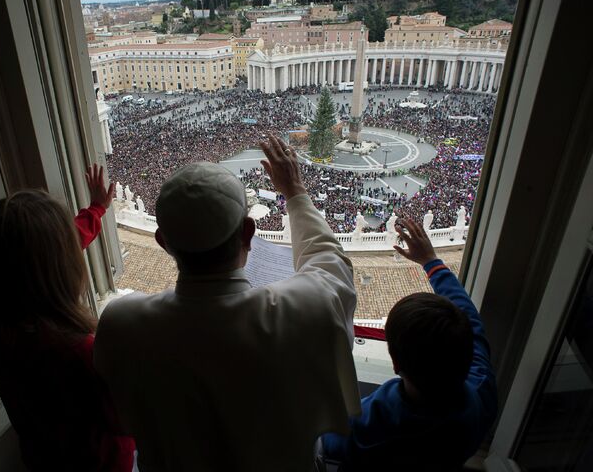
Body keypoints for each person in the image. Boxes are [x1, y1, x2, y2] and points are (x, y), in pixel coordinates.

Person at [94, 137, 361, 472]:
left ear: (163, 242)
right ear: (248, 232)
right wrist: (294, 190)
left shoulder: (121, 323)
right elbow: (331, 266)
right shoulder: (307, 311)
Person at [0, 165, 134, 472]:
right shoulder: (80, 353)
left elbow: (28, 256)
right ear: (65, 267)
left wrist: (95, 210)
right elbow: (127, 422)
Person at [320, 218, 497, 471]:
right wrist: (431, 263)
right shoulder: (482, 389)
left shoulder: (376, 422)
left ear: (395, 363)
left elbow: (327, 440)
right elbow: (470, 319)